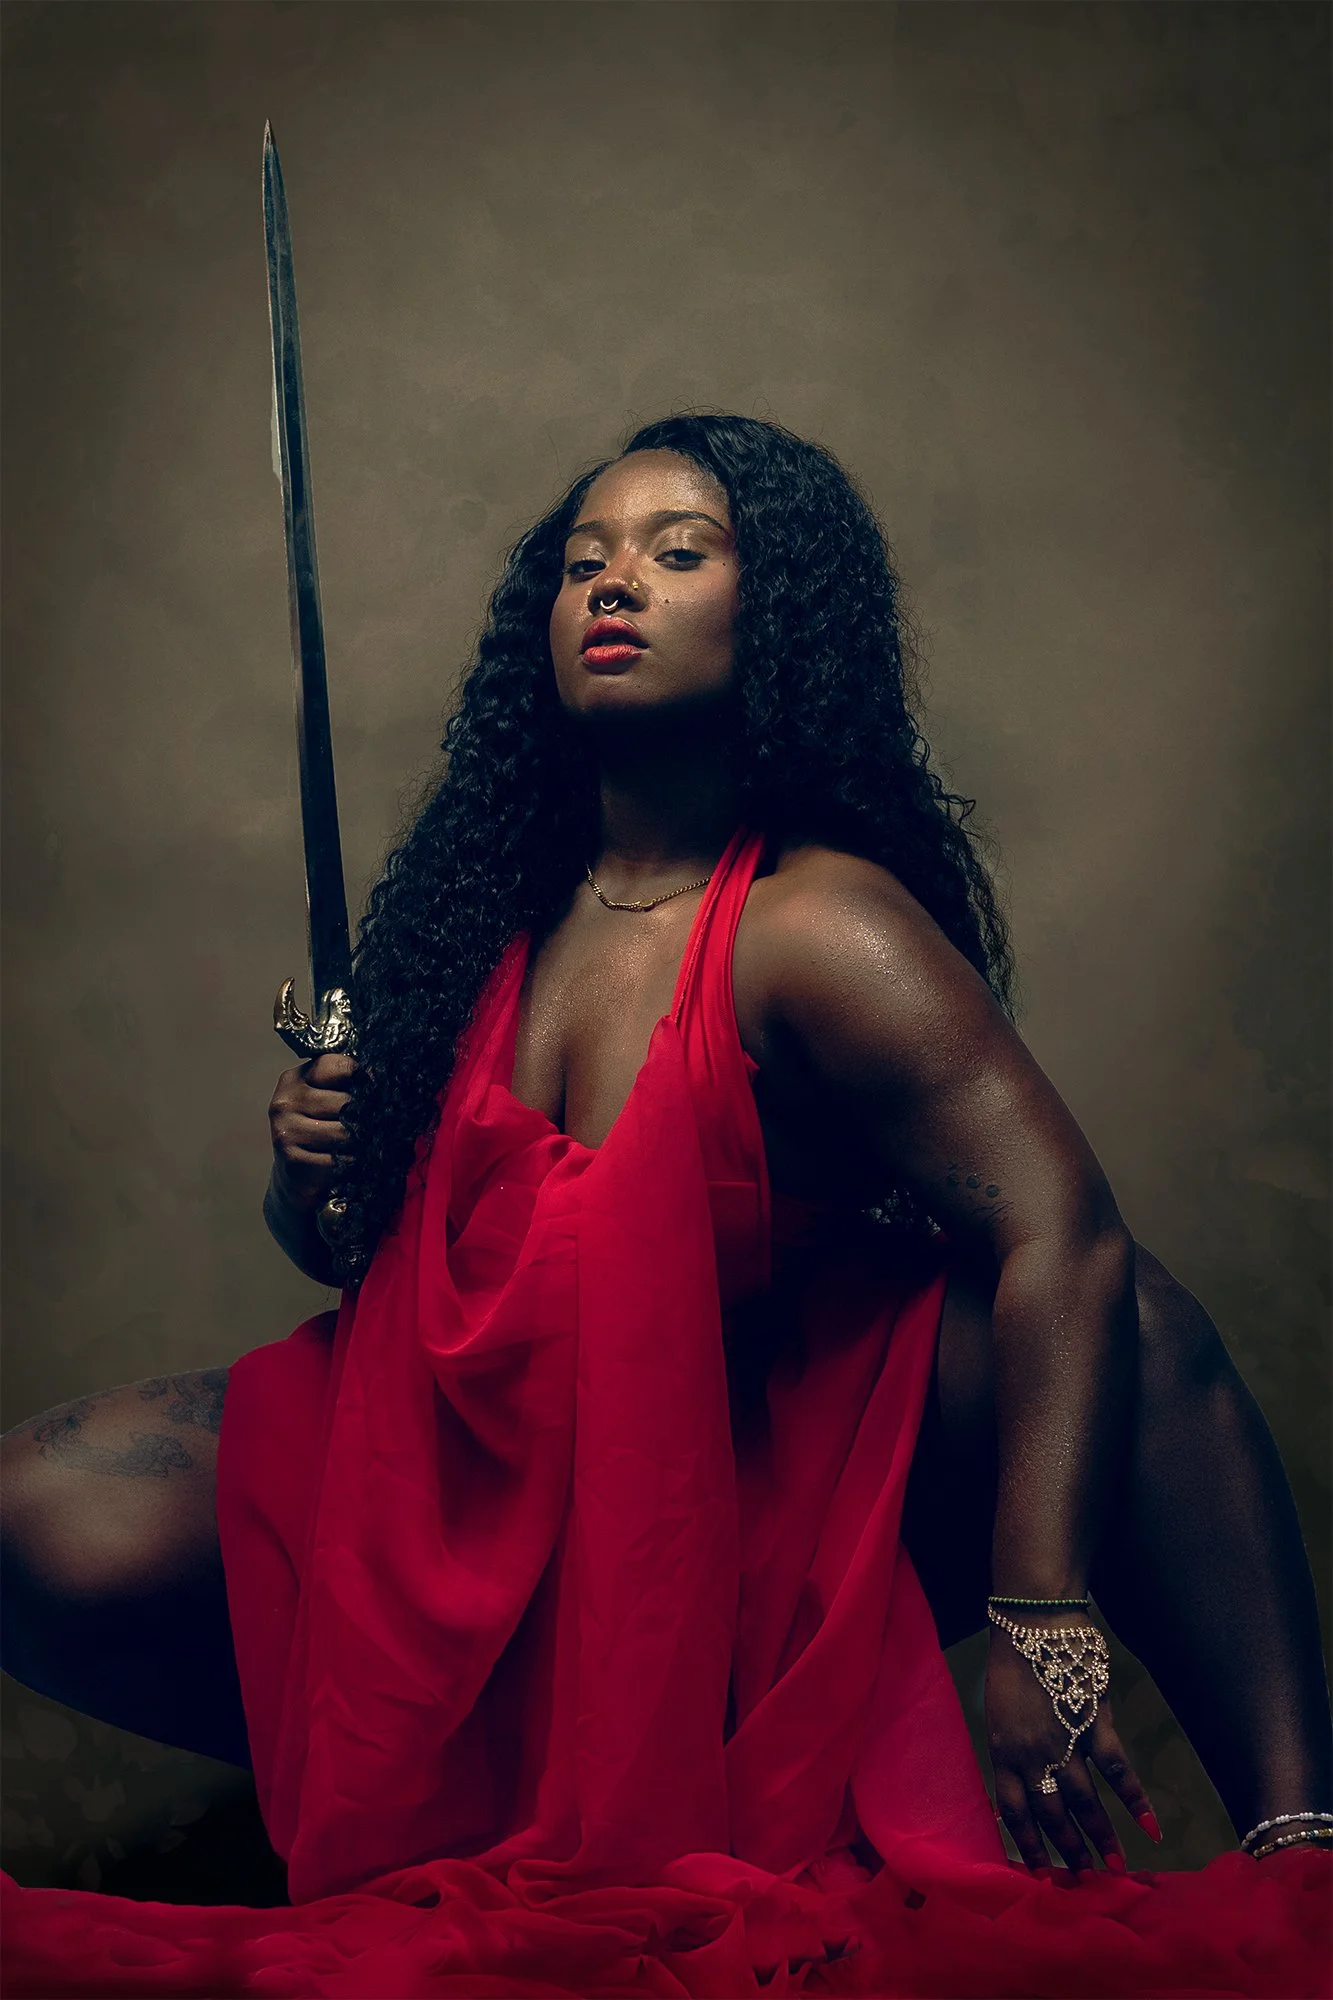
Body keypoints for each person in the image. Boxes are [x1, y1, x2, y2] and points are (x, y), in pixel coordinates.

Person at [2, 413, 1329, 1996]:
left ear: (778, 620)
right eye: (583, 562)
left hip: (728, 1474)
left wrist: (1041, 1613)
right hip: (466, 1458)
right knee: (39, 1517)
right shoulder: (472, 925)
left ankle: (1302, 1854)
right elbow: (371, 1261)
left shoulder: (814, 927)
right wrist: (307, 1177)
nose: (612, 583)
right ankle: (497, 1768)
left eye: (675, 551)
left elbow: (1068, 1234)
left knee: (1143, 1316)